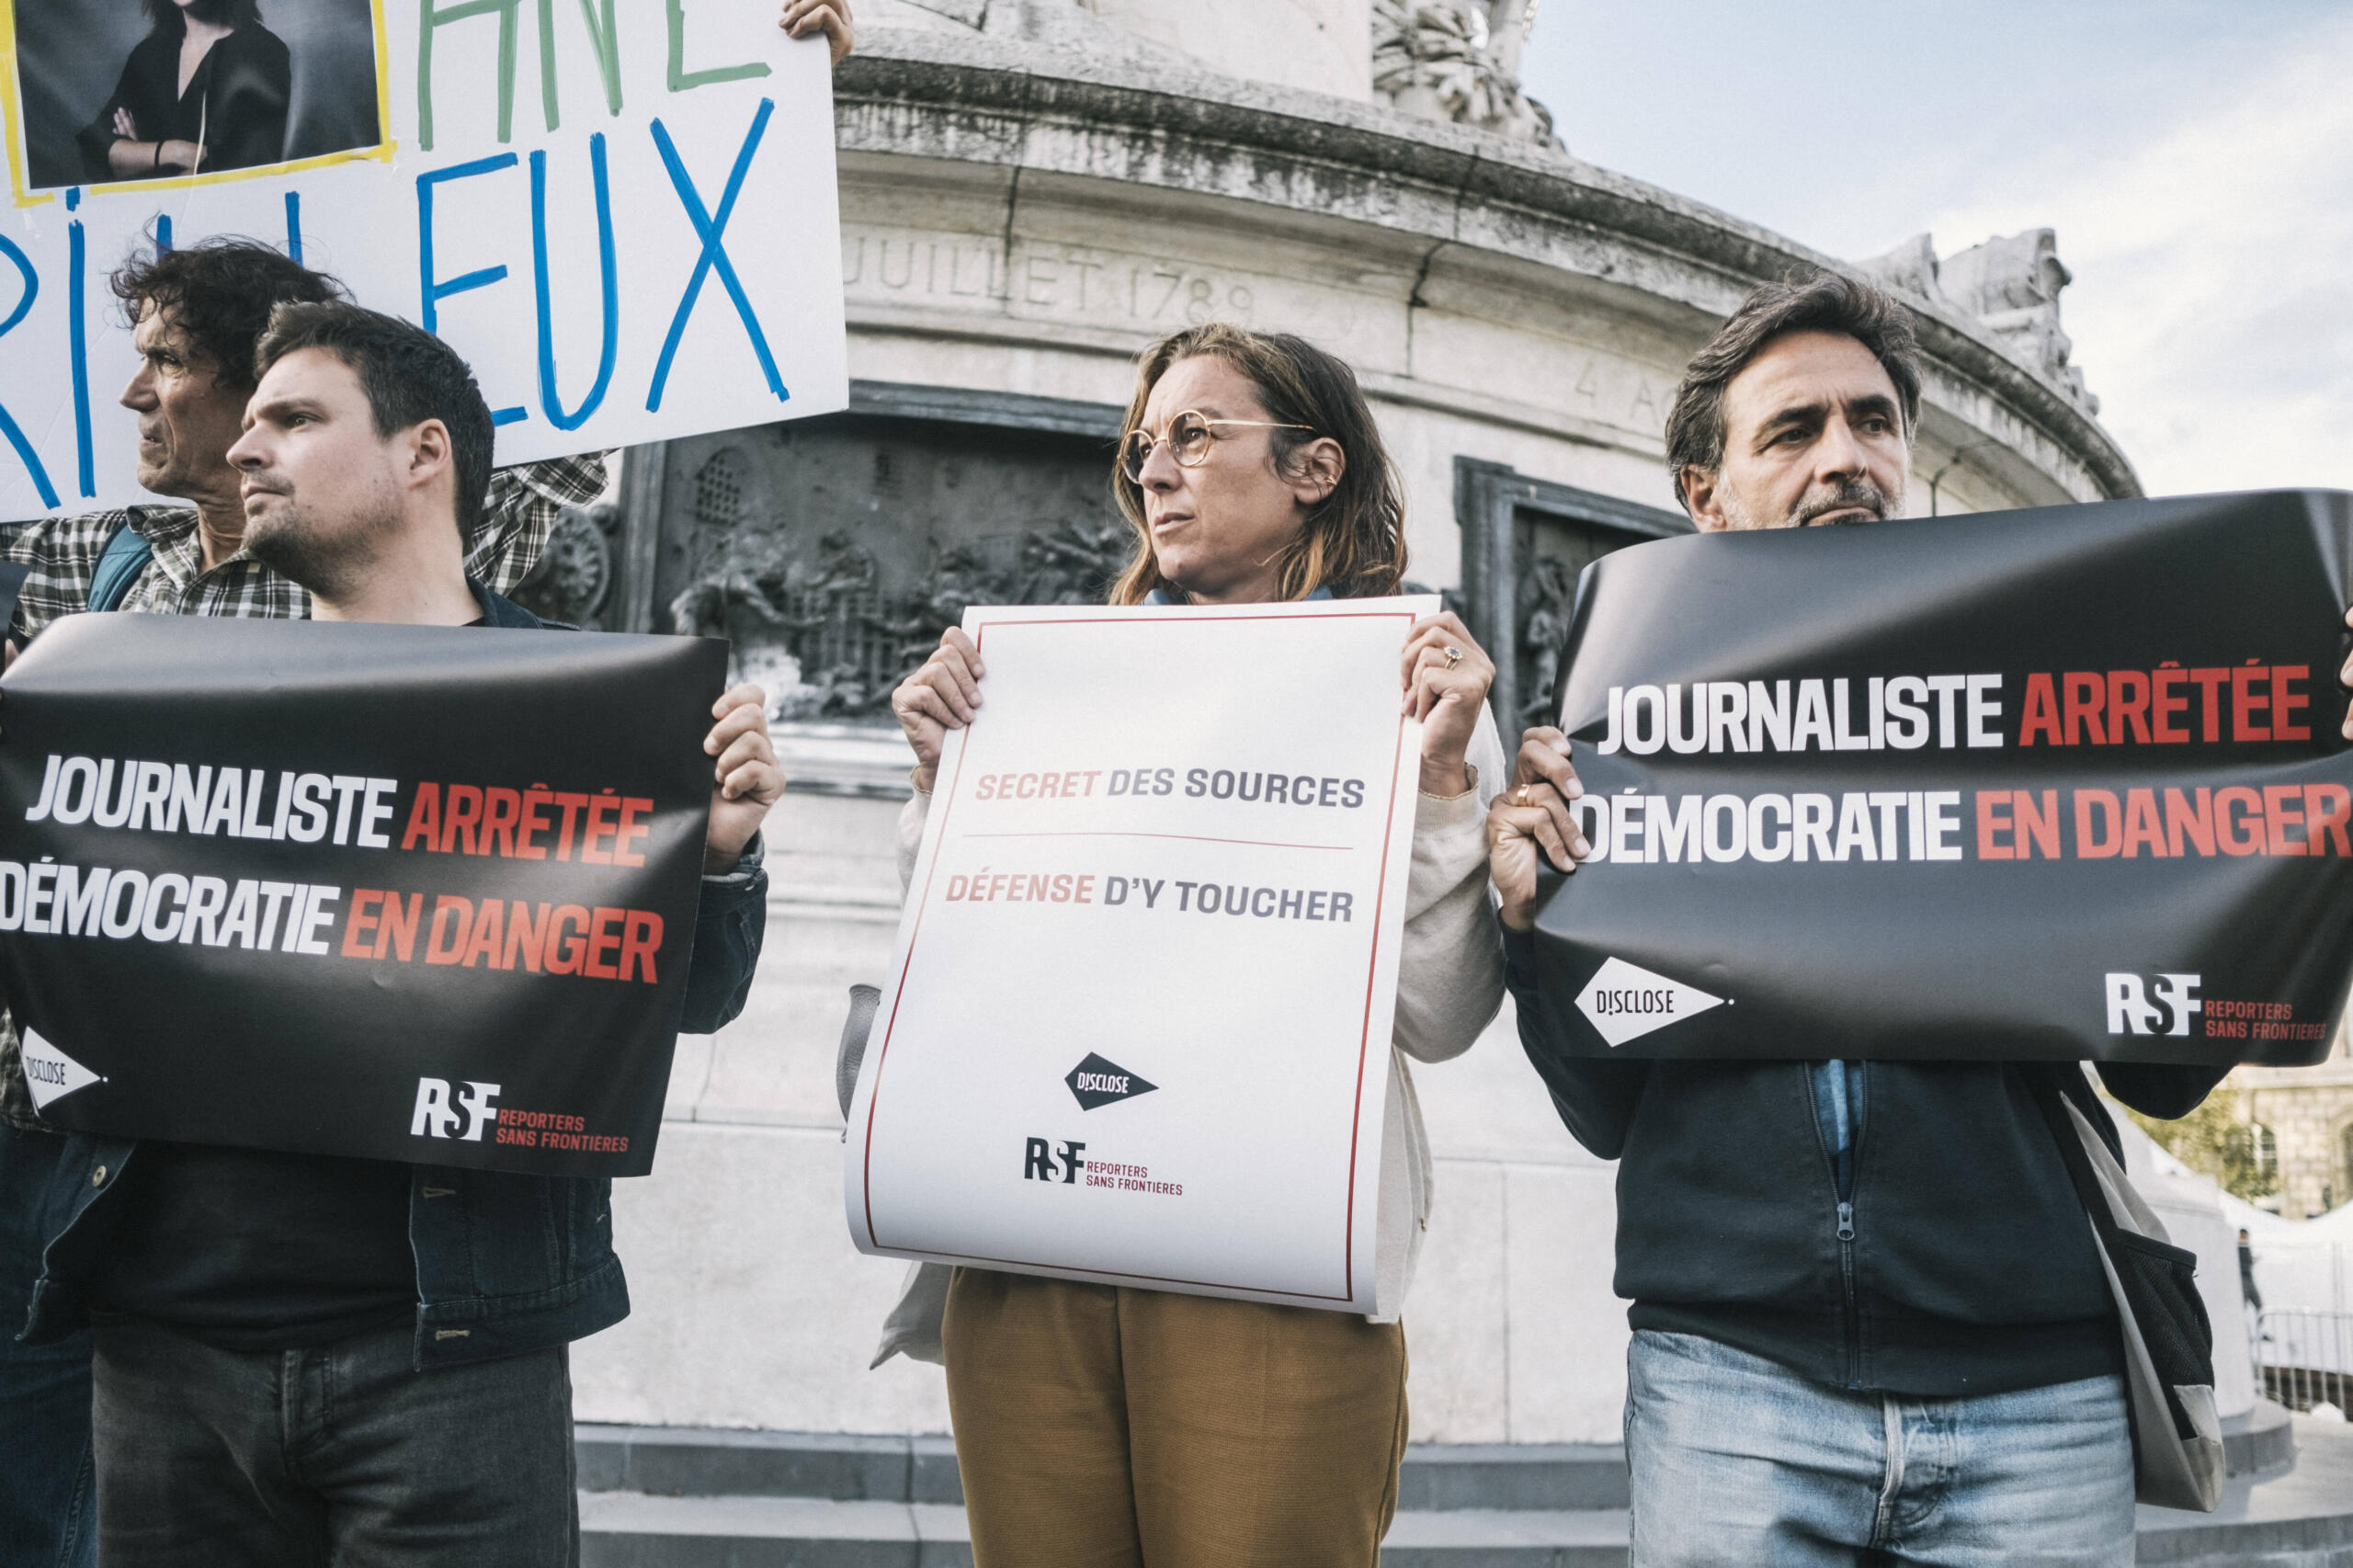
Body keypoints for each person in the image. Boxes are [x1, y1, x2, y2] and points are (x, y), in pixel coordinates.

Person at [13, 300, 779, 1566]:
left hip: (445, 1360)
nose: (246, 448)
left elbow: (685, 998)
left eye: (295, 419)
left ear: (423, 454)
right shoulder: (143, 692)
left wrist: (721, 853)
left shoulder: (594, 714)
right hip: (163, 1359)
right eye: (249, 421)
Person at [1486, 271, 2233, 1567]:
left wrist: (2281, 833)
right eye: (1794, 430)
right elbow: (1610, 1102)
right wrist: (1535, 928)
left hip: (2037, 1396)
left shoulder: (2047, 722)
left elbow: (2164, 1067)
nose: (1847, 457)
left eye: (1872, 421)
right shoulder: (1621, 747)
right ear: (1703, 492)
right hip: (1734, 1385)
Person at [883, 323, 1506, 1568]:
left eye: (1197, 434)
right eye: (1142, 448)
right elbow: (967, 968)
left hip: (1270, 1257)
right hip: (1035, 1243)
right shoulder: (1042, 687)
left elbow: (1437, 1016)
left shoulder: (1415, 696)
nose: (1153, 471)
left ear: (1313, 468)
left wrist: (1438, 789)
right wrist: (943, 783)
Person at [80, 0, 290, 181]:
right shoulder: (149, 55)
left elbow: (242, 170)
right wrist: (175, 151)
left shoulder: (264, 52)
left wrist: (139, 158)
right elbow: (96, 152)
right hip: (147, 224)